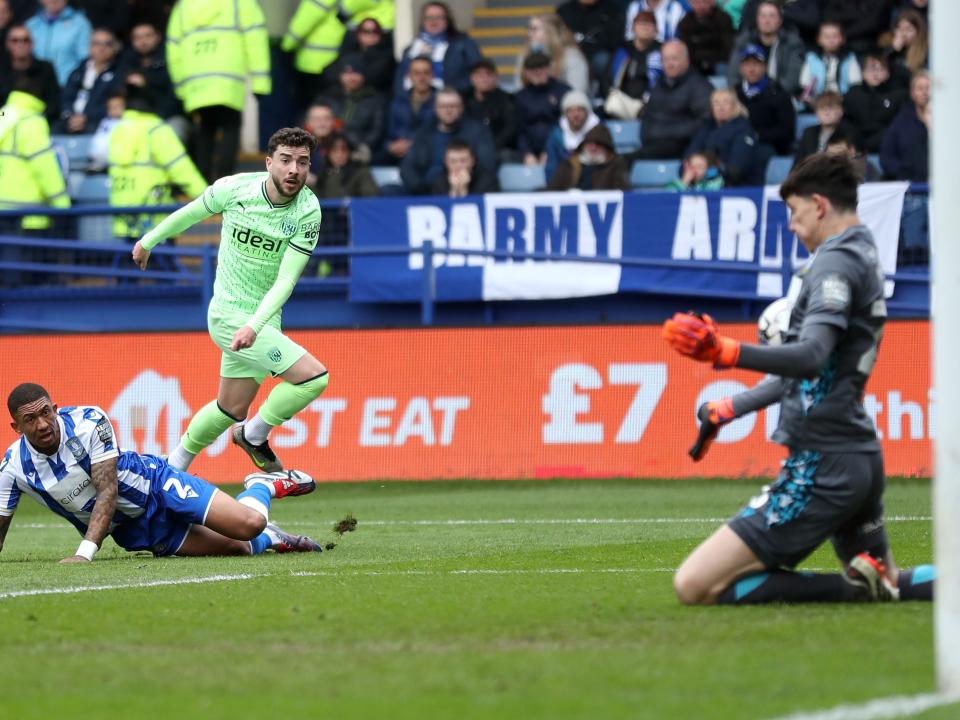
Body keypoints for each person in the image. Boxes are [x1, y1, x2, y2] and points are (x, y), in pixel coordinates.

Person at [662, 152, 935, 605]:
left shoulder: (835, 263)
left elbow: (811, 357)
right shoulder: (862, 250)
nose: (791, 225)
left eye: (794, 212)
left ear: (819, 204)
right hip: (856, 454)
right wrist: (733, 405)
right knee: (887, 583)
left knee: (693, 585)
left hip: (822, 463)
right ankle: (867, 583)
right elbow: (817, 369)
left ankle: (850, 590)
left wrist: (725, 351)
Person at [131, 127, 330, 475]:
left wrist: (256, 325)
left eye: (302, 162)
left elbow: (287, 280)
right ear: (269, 162)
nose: (294, 170)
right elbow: (191, 213)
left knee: (230, 407)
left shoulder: (307, 211)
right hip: (227, 317)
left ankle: (172, 466)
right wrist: (149, 240)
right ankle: (254, 435)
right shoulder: (235, 188)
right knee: (313, 379)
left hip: (260, 322)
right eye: (285, 160)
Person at [0, 383, 327, 562]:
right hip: (136, 530)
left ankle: (261, 485)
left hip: (158, 484)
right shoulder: (13, 468)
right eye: (30, 420)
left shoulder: (87, 422)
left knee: (249, 524)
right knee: (240, 548)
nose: (42, 424)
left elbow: (108, 493)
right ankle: (273, 537)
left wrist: (84, 554)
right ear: (16, 427)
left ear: (55, 409)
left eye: (46, 413)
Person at [167, 0, 271, 182]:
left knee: (205, 128)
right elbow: (256, 40)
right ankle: (225, 181)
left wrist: (180, 86)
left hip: (197, 80)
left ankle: (202, 184)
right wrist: (260, 82)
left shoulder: (183, 7)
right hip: (229, 79)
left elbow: (173, 48)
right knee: (231, 126)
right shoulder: (240, 4)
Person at [108, 82, 207, 243]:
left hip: (125, 218)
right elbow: (181, 168)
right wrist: (208, 197)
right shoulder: (156, 129)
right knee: (163, 267)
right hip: (154, 220)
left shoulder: (117, 130)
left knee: (130, 266)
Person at [0, 69, 70, 236]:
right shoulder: (32, 121)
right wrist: (63, 205)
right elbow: (45, 167)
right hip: (27, 217)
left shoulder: (3, 114)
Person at [400, 86, 496, 195]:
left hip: (469, 188)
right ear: (435, 108)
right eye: (443, 106)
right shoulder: (424, 132)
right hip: (426, 191)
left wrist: (466, 184)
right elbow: (407, 167)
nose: (448, 110)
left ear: (461, 108)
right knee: (389, 190)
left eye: (453, 106)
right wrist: (422, 190)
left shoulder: (477, 131)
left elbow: (488, 166)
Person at [632, 39, 712, 159]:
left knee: (627, 160)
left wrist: (664, 133)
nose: (669, 64)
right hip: (653, 144)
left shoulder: (700, 86)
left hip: (683, 148)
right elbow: (647, 120)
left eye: (674, 59)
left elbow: (704, 123)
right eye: (665, 59)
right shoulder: (658, 86)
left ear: (686, 60)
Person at [393, 1, 481, 96]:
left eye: (439, 17)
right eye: (429, 18)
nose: (433, 22)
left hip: (452, 103)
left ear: (447, 20)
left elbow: (478, 73)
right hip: (414, 104)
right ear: (422, 21)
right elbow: (400, 81)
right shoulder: (410, 49)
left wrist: (455, 93)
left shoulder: (463, 43)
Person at [116, 22, 186, 139]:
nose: (143, 42)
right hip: (135, 120)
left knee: (173, 132)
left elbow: (175, 98)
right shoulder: (126, 63)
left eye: (147, 36)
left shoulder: (171, 58)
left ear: (158, 37)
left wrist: (146, 82)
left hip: (168, 117)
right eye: (137, 37)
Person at [316, 53, 386, 164]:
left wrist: (357, 144)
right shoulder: (327, 98)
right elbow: (312, 123)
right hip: (325, 151)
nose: (352, 77)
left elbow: (377, 131)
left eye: (356, 73)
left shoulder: (375, 100)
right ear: (340, 75)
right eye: (347, 73)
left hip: (359, 151)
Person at [727, 1, 805, 96]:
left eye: (771, 16)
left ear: (780, 20)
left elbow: (792, 80)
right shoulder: (744, 41)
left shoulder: (792, 43)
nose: (766, 21)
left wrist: (769, 96)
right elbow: (733, 75)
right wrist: (742, 95)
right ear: (757, 20)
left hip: (781, 96)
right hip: (748, 96)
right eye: (763, 16)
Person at [686, 87, 760, 186]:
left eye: (725, 102)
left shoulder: (744, 130)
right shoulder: (706, 128)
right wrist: (693, 170)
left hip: (734, 189)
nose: (721, 107)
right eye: (716, 103)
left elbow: (737, 169)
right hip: (701, 186)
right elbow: (688, 159)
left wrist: (707, 172)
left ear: (735, 106)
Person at [56, 27, 122, 135]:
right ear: (89, 47)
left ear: (114, 48)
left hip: (98, 122)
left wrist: (86, 118)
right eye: (97, 43)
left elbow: (115, 104)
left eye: (107, 44)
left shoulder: (119, 74)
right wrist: (69, 116)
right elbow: (66, 97)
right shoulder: (78, 71)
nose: (102, 48)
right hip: (70, 121)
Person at [282, 0, 346, 106]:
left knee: (309, 109)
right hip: (335, 61)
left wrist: (286, 46)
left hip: (312, 63)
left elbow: (304, 22)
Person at [736, 44, 795, 157]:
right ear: (741, 68)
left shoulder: (779, 93)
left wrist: (757, 135)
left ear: (765, 66)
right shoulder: (735, 92)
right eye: (747, 64)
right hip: (738, 144)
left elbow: (787, 132)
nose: (751, 69)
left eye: (756, 64)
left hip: (767, 148)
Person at [514, 51, 571, 167]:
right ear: (526, 73)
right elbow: (519, 129)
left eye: (541, 68)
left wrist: (549, 149)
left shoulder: (563, 92)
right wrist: (527, 153)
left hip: (559, 145)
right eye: (533, 69)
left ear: (549, 69)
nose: (538, 72)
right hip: (530, 149)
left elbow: (565, 124)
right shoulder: (520, 97)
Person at [601, 10, 662, 117]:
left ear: (656, 30)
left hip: (650, 105)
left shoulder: (662, 51)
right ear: (633, 28)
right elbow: (607, 79)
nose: (645, 27)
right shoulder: (623, 50)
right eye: (641, 23)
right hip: (622, 102)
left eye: (649, 24)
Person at [842, 51, 906, 154]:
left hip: (886, 147)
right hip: (856, 147)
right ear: (862, 73)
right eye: (871, 70)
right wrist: (857, 140)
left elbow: (898, 124)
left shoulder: (898, 95)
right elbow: (846, 121)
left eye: (880, 69)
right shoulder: (853, 93)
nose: (875, 74)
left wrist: (874, 142)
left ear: (888, 73)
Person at [514, 13, 589, 94]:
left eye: (534, 29)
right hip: (531, 103)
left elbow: (578, 91)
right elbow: (519, 87)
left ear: (550, 31)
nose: (529, 33)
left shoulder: (571, 56)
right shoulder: (525, 54)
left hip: (564, 103)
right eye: (529, 29)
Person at [0, 24, 61, 124]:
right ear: (7, 44)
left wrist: (38, 117)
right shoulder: (2, 72)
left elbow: (54, 104)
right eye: (15, 40)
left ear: (32, 44)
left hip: (39, 123)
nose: (20, 44)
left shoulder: (46, 69)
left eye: (25, 40)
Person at [382, 56, 436, 166]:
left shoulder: (441, 101)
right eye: (416, 73)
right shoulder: (397, 102)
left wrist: (411, 144)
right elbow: (387, 134)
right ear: (409, 76)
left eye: (426, 73)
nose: (421, 78)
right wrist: (390, 146)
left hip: (429, 156)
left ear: (432, 75)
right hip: (397, 156)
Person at [25, 0, 92, 87]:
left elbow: (86, 60)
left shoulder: (80, 24)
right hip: (34, 87)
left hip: (66, 87)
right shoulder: (31, 25)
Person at [546, 124, 630, 191]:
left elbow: (622, 193)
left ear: (606, 147)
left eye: (598, 144)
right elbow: (552, 191)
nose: (593, 148)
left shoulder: (615, 165)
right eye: (590, 143)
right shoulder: (569, 165)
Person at [555, 0, 625, 81]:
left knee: (603, 60)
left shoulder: (612, 10)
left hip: (597, 54)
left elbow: (615, 41)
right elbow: (556, 38)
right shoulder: (564, 10)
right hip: (572, 53)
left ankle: (605, 90)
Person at [880, 69, 929, 183]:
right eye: (920, 88)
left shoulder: (946, 122)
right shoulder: (901, 121)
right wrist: (904, 171)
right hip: (911, 188)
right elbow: (886, 157)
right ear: (912, 93)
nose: (924, 92)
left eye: (928, 88)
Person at [464, 58, 517, 161]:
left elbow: (510, 129)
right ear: (472, 78)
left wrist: (490, 147)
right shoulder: (463, 100)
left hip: (498, 150)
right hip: (468, 149)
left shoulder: (507, 99)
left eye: (488, 74)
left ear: (496, 77)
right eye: (479, 75)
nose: (484, 79)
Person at [797, 21, 862, 106]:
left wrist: (844, 99)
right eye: (826, 37)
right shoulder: (812, 59)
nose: (831, 40)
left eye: (835, 36)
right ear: (818, 40)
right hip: (817, 101)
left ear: (842, 39)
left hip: (842, 101)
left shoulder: (849, 59)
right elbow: (804, 83)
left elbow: (855, 83)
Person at [544, 89, 600, 182]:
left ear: (587, 112)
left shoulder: (600, 133)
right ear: (565, 114)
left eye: (580, 109)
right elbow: (551, 167)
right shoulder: (556, 136)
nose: (576, 114)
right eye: (571, 110)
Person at [794, 91, 861, 165]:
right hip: (811, 174)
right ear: (816, 113)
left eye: (831, 108)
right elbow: (798, 164)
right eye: (822, 108)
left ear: (841, 112)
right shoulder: (809, 132)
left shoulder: (850, 132)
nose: (826, 113)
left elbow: (855, 163)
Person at [333, 17, 395, 95]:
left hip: (374, 96)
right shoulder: (349, 51)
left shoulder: (387, 55)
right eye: (366, 31)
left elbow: (376, 76)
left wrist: (352, 76)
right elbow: (330, 71)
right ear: (358, 34)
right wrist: (341, 76)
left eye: (375, 31)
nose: (371, 34)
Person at [312, 131, 380, 199]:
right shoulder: (322, 173)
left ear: (349, 152)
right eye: (334, 150)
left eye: (344, 150)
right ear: (327, 153)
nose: (339, 155)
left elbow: (372, 198)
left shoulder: (361, 171)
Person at [676, 0, 734, 76]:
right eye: (697, 2)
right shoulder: (686, 22)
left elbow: (728, 48)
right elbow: (686, 50)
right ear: (691, 3)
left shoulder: (723, 18)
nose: (701, 6)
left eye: (705, 1)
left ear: (712, 2)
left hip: (719, 62)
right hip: (695, 64)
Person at [430, 138, 498, 197]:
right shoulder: (438, 182)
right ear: (446, 162)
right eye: (453, 161)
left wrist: (464, 189)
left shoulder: (487, 181)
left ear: (472, 161)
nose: (458, 165)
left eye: (463, 160)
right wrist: (453, 190)